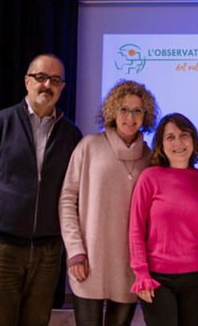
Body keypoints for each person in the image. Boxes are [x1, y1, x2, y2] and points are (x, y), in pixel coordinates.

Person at [0, 54, 82, 326]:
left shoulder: (71, 134)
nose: (47, 85)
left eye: (54, 80)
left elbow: (74, 190)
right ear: (27, 81)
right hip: (0, 248)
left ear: (62, 87)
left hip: (48, 251)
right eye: (40, 77)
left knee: (37, 321)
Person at [58, 80, 158, 325]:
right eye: (124, 109)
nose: (130, 117)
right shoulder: (89, 146)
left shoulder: (151, 158)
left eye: (137, 110)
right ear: (113, 111)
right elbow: (67, 201)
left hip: (129, 264)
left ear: (146, 116)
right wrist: (75, 252)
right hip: (89, 261)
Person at [129, 113, 198, 326]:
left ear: (194, 141)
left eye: (184, 135)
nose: (178, 142)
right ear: (161, 144)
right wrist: (141, 273)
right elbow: (135, 229)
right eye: (170, 137)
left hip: (197, 277)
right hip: (157, 278)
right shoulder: (149, 178)